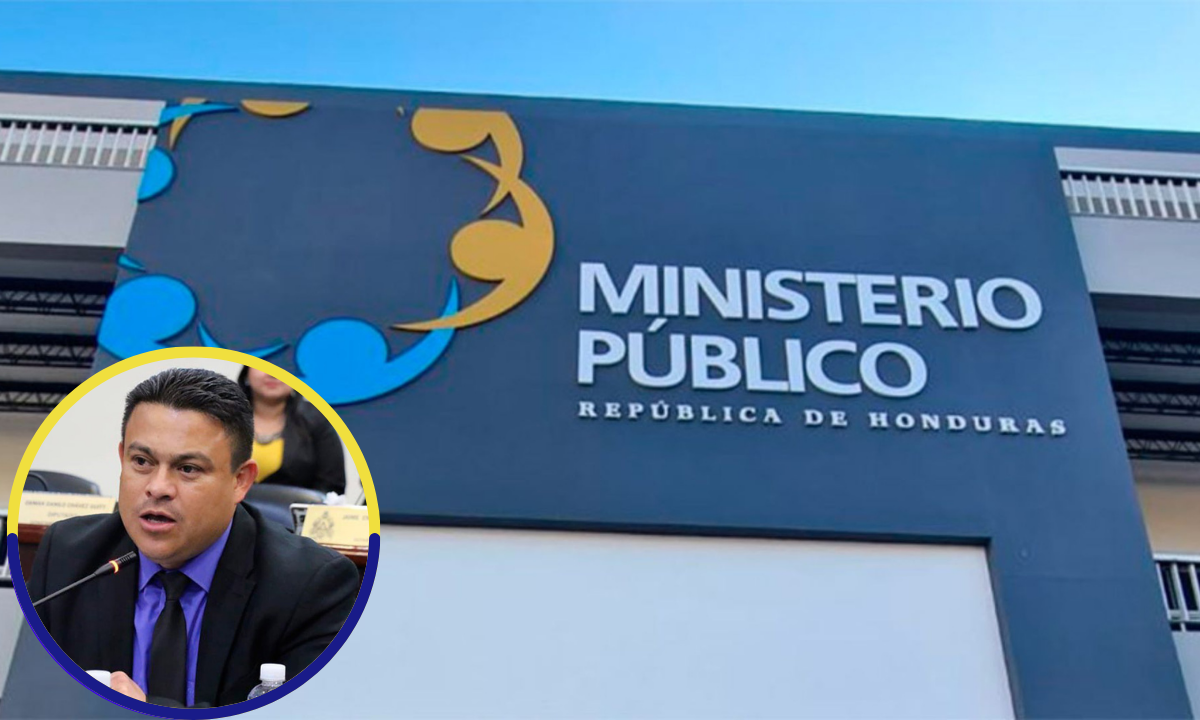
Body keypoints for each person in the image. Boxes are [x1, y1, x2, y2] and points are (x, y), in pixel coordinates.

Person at [28, 368, 360, 708]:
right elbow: (28, 694)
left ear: (240, 481)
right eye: (141, 461)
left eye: (188, 469)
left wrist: (144, 711)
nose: (157, 487)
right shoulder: (69, 556)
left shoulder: (310, 585)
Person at [239, 366, 346, 495]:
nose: (272, 374)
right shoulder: (224, 417)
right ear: (247, 372)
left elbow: (332, 487)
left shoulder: (317, 420)